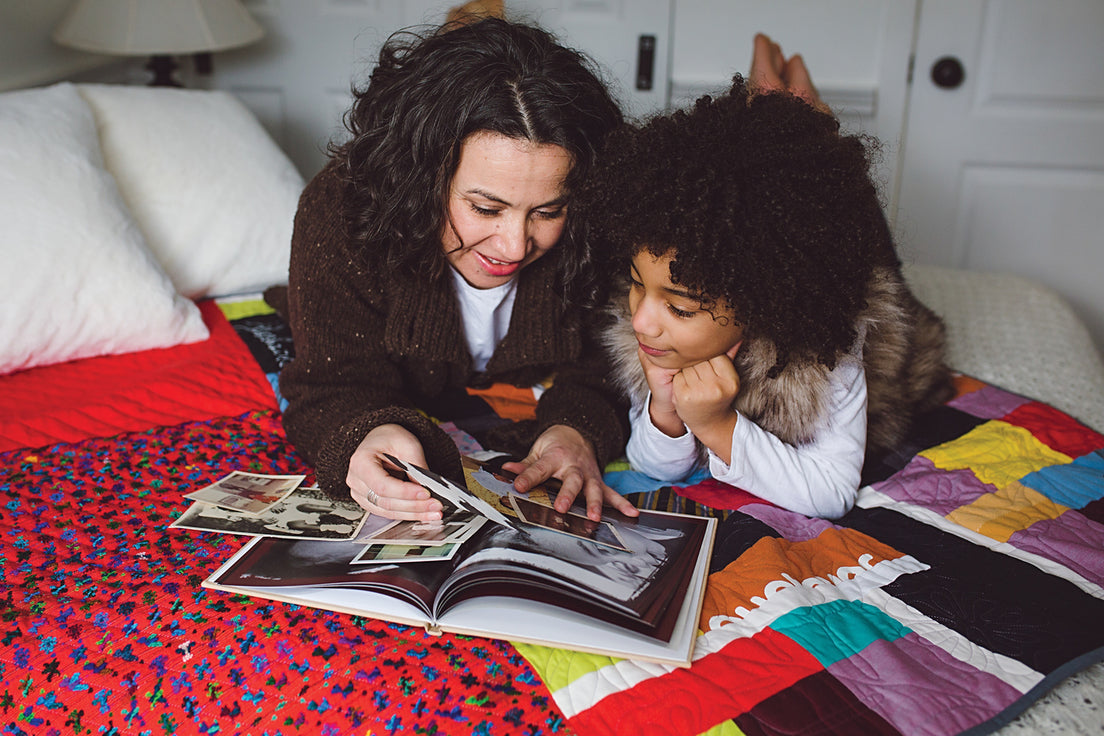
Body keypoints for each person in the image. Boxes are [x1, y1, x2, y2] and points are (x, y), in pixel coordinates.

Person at [278, 16, 639, 524]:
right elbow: (331, 383)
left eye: (548, 211)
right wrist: (368, 433)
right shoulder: (337, 211)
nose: (514, 246)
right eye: (486, 209)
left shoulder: (599, 218)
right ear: (420, 179)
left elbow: (613, 359)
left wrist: (576, 429)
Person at [575, 75, 953, 520]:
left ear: (758, 307)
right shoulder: (651, 330)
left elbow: (832, 492)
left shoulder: (830, 351)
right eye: (637, 282)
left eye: (680, 308)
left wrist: (718, 426)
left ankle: (802, 101)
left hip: (856, 317)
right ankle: (781, 92)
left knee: (865, 235)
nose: (640, 320)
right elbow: (651, 465)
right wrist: (664, 407)